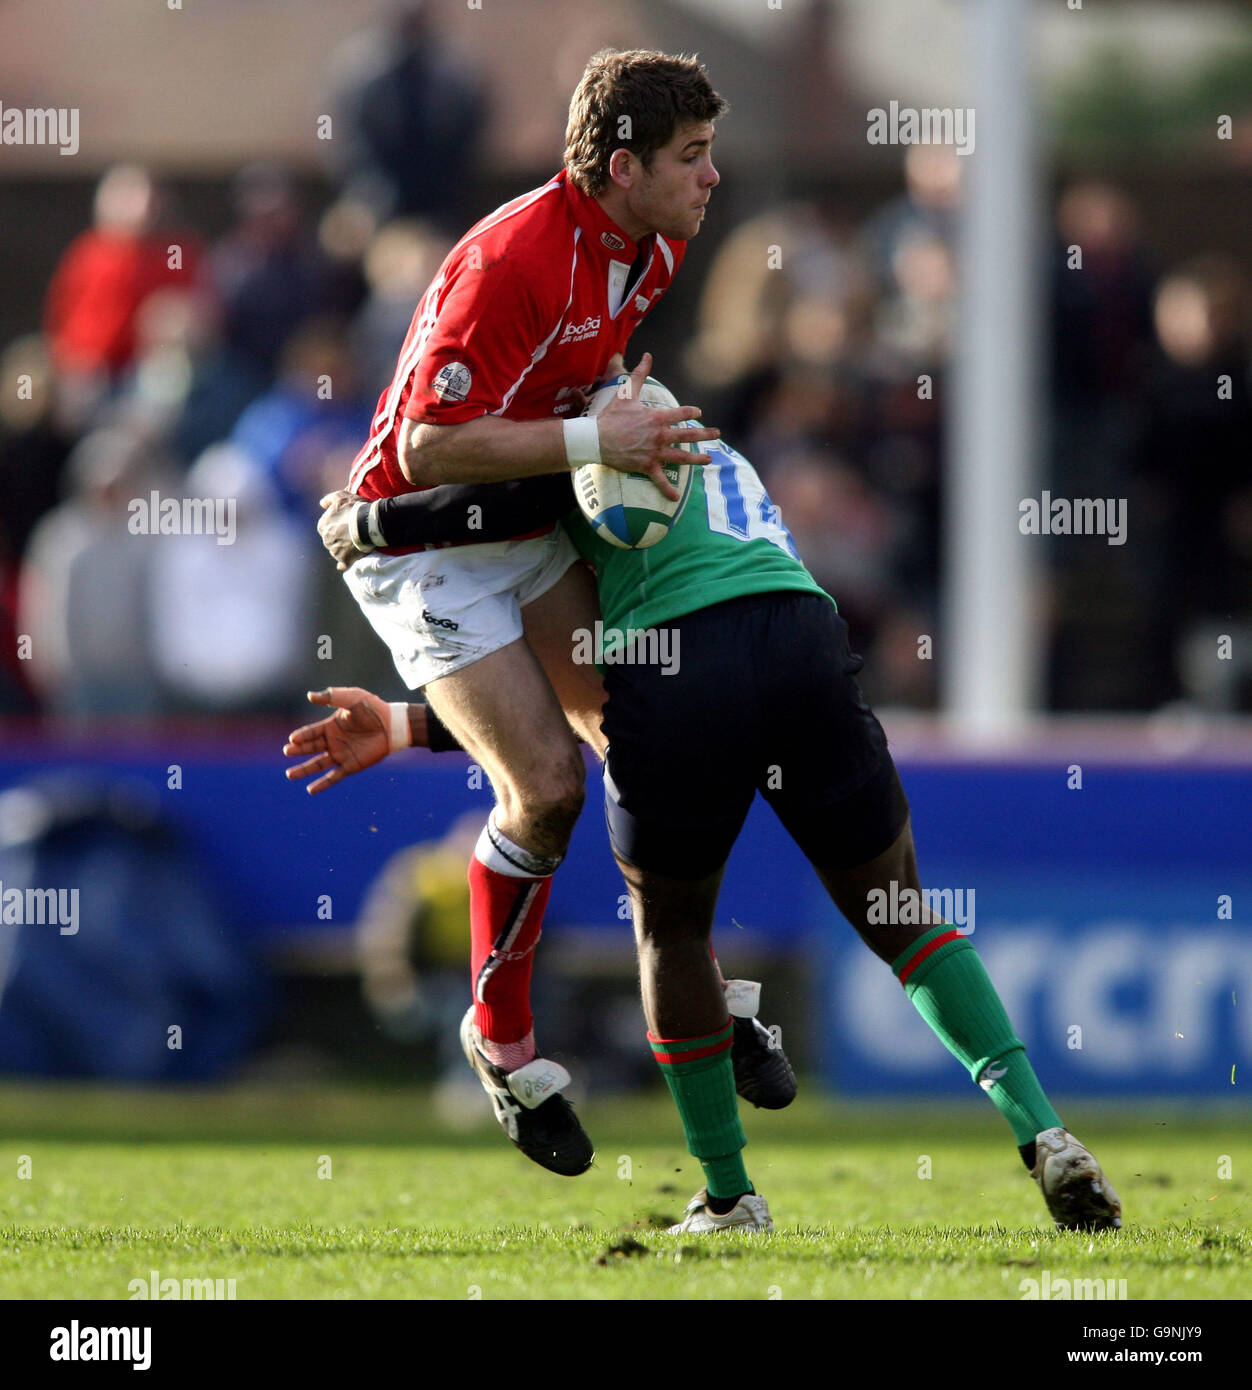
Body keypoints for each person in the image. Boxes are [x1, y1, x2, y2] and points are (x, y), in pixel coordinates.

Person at [290, 407, 1123, 1237]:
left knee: (673, 938)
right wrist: (406, 725)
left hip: (677, 656)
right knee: (901, 918)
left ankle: (729, 1197)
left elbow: (507, 517)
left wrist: (366, 523)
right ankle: (1044, 1130)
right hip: (802, 635)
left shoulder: (590, 428)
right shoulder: (704, 433)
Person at [321, 49, 728, 1180]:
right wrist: (604, 437)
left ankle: (694, 987)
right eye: (691, 157)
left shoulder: (650, 249)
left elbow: (564, 404)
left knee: (649, 742)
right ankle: (500, 1044)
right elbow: (423, 448)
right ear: (619, 165)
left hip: (521, 524)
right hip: (419, 546)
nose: (711, 178)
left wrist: (615, 406)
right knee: (546, 788)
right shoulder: (514, 257)